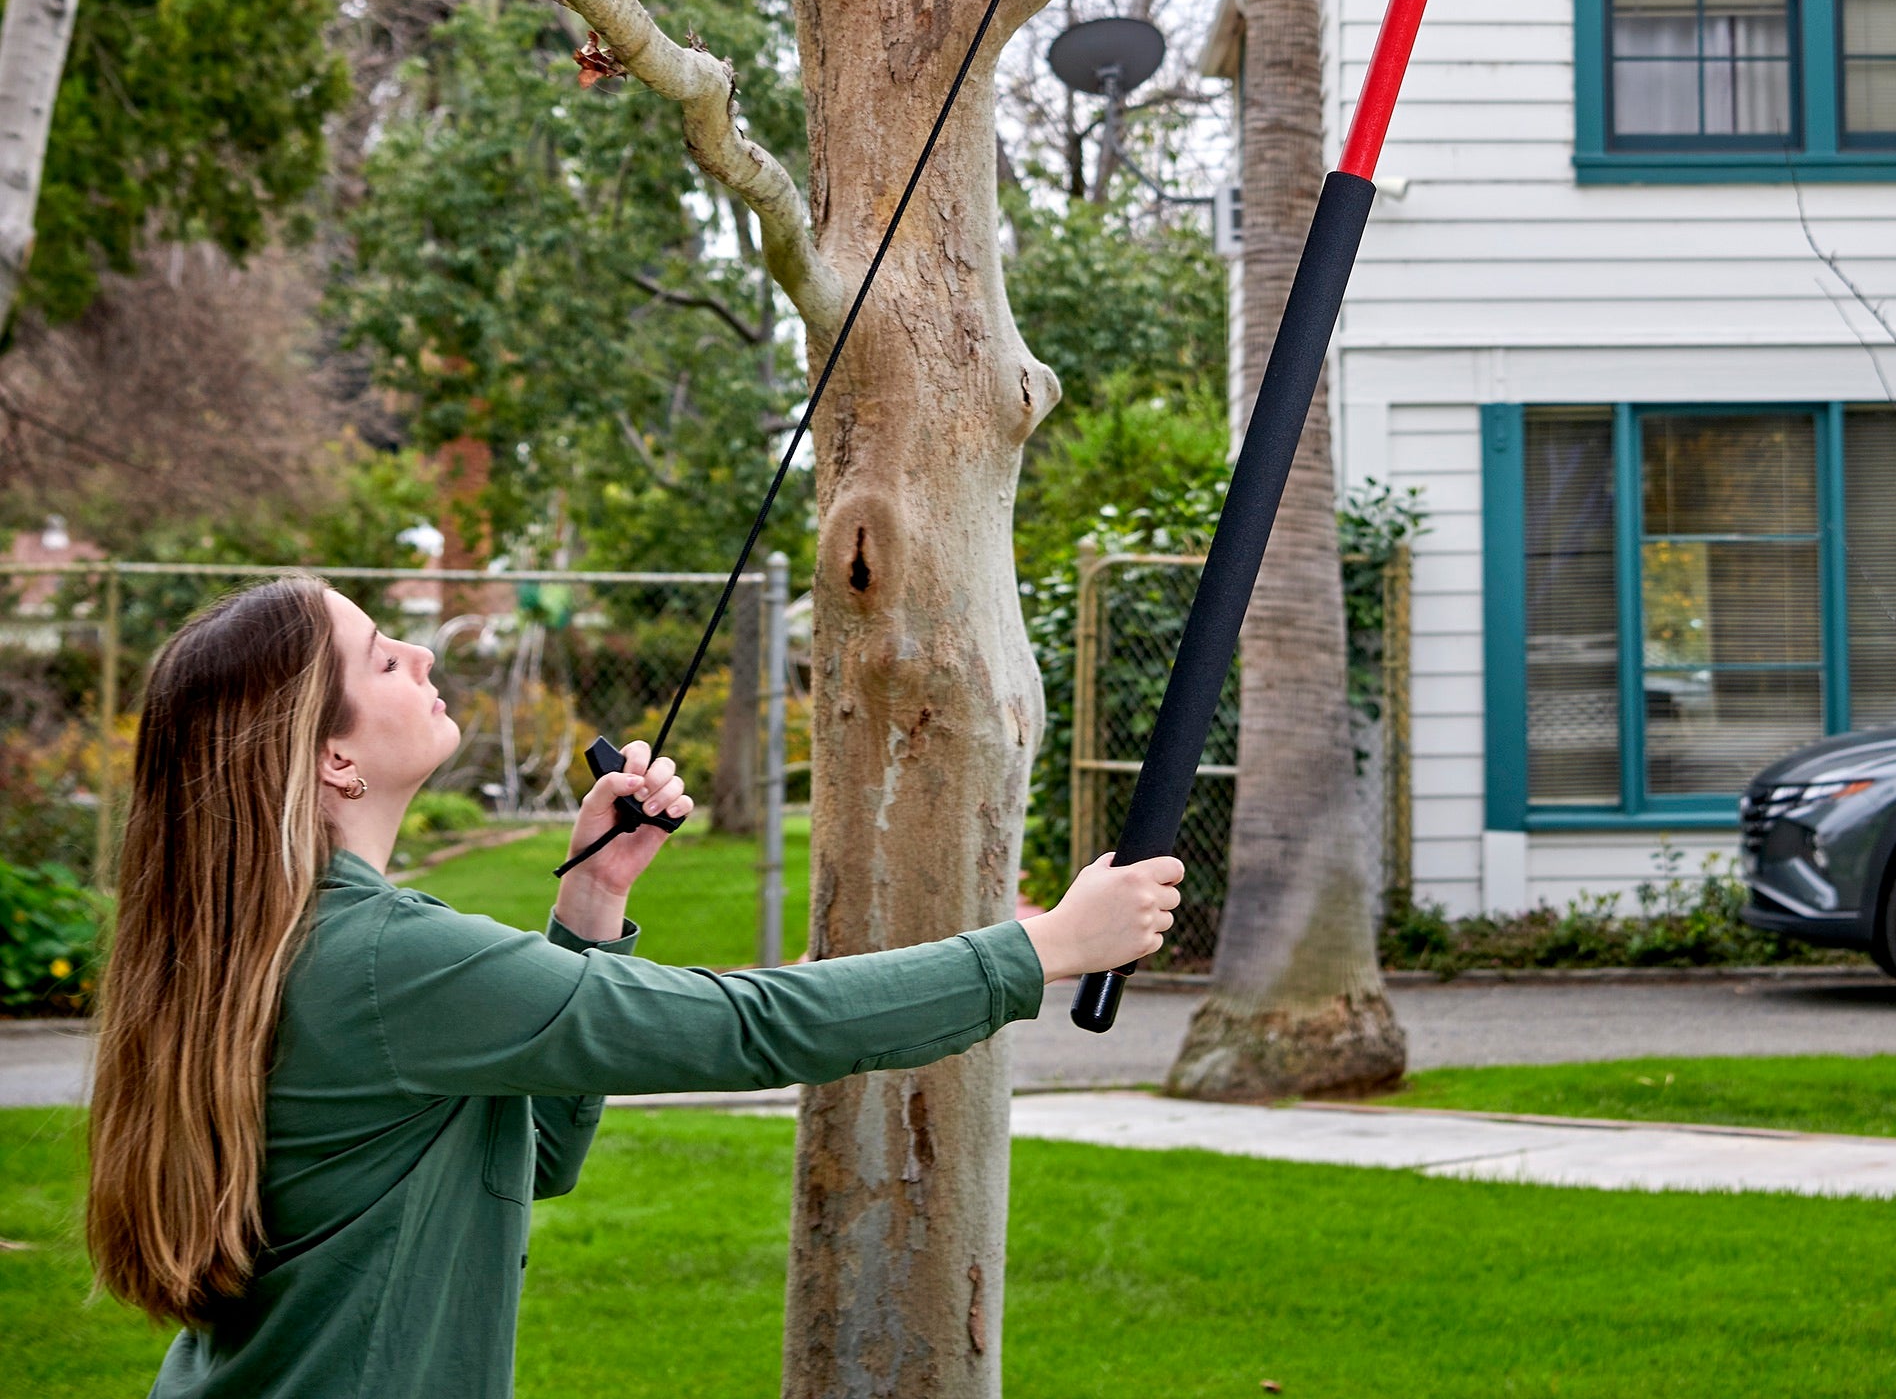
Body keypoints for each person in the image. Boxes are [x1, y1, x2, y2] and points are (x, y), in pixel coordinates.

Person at [85, 576, 1180, 1395]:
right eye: (380, 658)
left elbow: (536, 1158)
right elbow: (754, 1026)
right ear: (332, 759)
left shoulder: (291, 939)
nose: (418, 651)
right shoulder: (384, 959)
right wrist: (1039, 950)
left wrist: (594, 899)